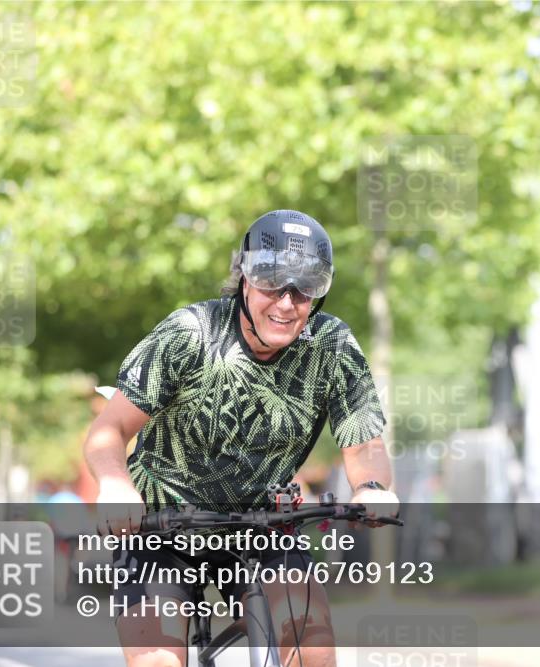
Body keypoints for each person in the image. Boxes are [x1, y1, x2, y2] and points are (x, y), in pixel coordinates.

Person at [82, 210, 397, 667]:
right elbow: (107, 432)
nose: (287, 303)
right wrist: (114, 484)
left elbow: (364, 444)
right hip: (159, 530)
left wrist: (371, 488)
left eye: (303, 289)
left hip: (263, 527)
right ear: (244, 279)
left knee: (312, 647)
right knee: (158, 663)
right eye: (273, 284)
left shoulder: (331, 347)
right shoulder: (191, 334)